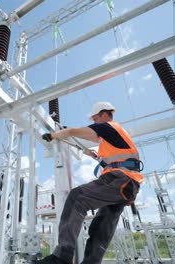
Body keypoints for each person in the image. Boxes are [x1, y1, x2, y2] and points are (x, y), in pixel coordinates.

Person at [37, 102, 144, 264]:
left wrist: (54, 135)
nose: (94, 123)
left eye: (95, 119)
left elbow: (74, 132)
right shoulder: (115, 135)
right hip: (128, 186)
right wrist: (93, 154)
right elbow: (112, 157)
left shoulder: (107, 126)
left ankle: (61, 257)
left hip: (119, 179)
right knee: (101, 227)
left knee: (77, 197)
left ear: (104, 114)